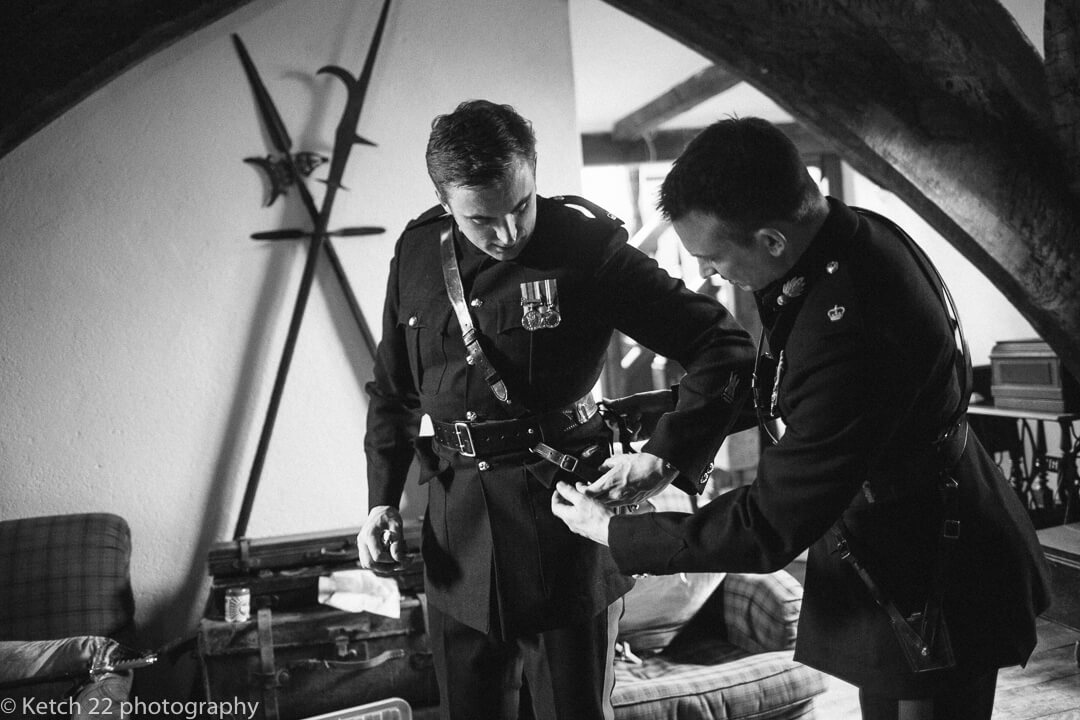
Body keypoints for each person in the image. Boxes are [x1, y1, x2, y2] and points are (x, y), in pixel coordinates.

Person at [552, 117, 1052, 720]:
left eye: (713, 258)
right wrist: (664, 454)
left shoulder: (855, 324)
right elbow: (783, 386)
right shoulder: (831, 242)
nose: (711, 274)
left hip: (937, 558)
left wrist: (614, 532)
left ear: (770, 240)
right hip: (882, 538)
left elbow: (769, 520)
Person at [357, 100, 756, 720]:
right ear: (444, 203)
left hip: (563, 522)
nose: (509, 232)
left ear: (534, 174)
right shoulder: (415, 254)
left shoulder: (585, 247)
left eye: (521, 205)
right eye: (482, 219)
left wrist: (667, 457)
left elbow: (722, 347)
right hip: (455, 533)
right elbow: (392, 391)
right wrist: (381, 498)